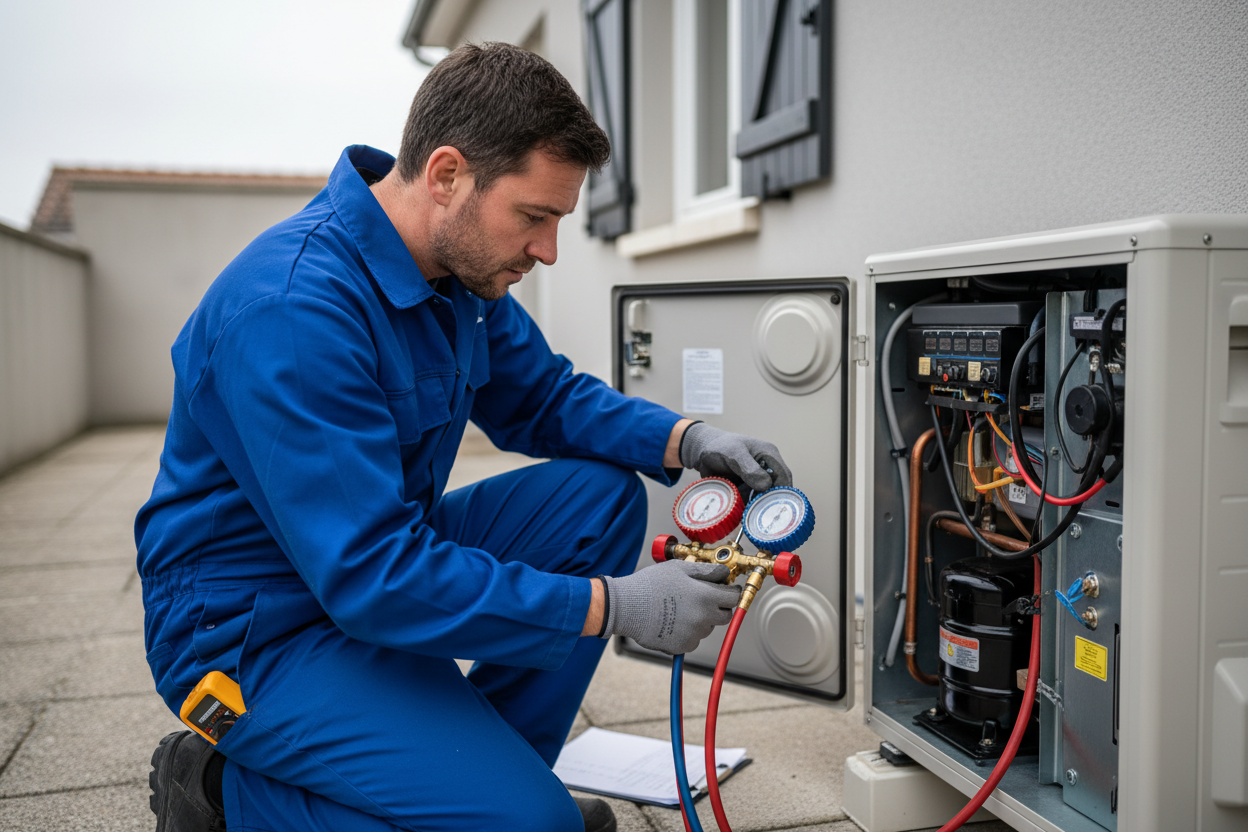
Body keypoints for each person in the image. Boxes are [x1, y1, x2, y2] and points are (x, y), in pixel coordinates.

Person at [139, 42, 791, 832]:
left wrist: (689, 439)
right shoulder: (291, 310)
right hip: (254, 631)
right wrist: (612, 606)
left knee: (598, 498)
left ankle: (492, 782)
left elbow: (543, 397)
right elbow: (372, 575)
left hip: (363, 566)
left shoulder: (454, 279)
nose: (547, 250)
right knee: (536, 825)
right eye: (535, 216)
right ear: (447, 175)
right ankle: (216, 790)